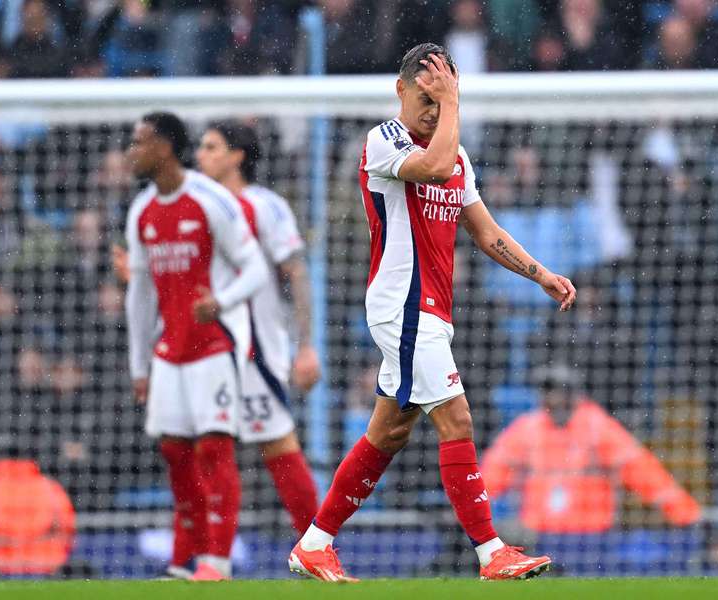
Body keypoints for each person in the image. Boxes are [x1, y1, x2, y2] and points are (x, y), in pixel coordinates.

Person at [288, 43, 576, 582]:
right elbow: (436, 163)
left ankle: (315, 543)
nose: (435, 109)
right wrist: (456, 105)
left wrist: (542, 275)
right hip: (403, 304)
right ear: (401, 89)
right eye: (428, 97)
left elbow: (486, 233)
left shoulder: (458, 157)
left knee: (389, 433)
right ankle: (492, 552)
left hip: (432, 309)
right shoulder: (384, 141)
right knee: (456, 417)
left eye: (442, 99)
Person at [115, 119, 322, 539]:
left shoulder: (265, 206)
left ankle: (316, 546)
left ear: (237, 157)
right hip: (200, 349)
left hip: (254, 349)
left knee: (277, 446)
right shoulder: (187, 202)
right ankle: (196, 558)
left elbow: (295, 273)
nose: (201, 155)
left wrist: (306, 346)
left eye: (212, 147)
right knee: (189, 449)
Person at [124, 112, 267, 581]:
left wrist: (221, 301)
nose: (132, 151)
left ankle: (217, 560)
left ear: (165, 147)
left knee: (214, 451)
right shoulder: (141, 211)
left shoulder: (210, 201)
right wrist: (139, 364)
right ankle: (185, 559)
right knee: (175, 454)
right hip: (170, 352)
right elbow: (140, 294)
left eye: (140, 142)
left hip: (213, 346)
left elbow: (255, 268)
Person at [481, 365, 701, 534]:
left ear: (572, 393)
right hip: (539, 535)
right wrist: (469, 512)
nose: (551, 397)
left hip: (590, 537)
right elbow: (492, 475)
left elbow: (645, 474)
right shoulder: (527, 428)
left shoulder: (598, 427)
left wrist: (684, 513)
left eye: (556, 390)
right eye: (547, 391)